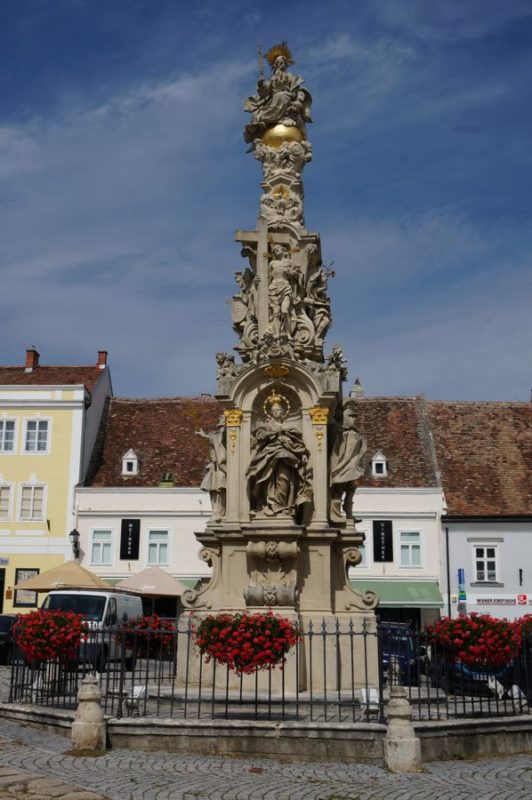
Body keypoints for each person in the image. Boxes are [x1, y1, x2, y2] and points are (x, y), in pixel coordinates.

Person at [247, 391, 312, 518]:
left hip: (286, 458)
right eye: (273, 410)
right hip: (268, 457)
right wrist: (274, 431)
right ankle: (269, 505)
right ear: (270, 413)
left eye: (278, 410)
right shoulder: (266, 426)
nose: (275, 412)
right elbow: (259, 437)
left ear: (283, 412)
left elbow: (297, 444)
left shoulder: (288, 428)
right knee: (268, 480)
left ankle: (283, 507)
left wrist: (302, 454)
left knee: (284, 479)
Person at [244, 44, 312, 144]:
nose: (282, 64)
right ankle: (261, 126)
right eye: (280, 63)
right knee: (257, 115)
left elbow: (299, 89)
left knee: (281, 97)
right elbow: (266, 92)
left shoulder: (290, 76)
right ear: (275, 65)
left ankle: (281, 117)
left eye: (284, 63)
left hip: (286, 97)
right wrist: (262, 85)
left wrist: (299, 100)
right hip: (273, 100)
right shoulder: (272, 78)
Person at [329, 401, 367, 525]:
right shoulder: (340, 432)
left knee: (351, 488)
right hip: (341, 467)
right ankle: (335, 513)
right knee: (338, 489)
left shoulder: (353, 433)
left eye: (355, 416)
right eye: (351, 416)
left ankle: (348, 513)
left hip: (351, 466)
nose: (354, 419)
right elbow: (336, 452)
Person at [196, 418, 227, 522]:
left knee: (221, 488)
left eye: (222, 418)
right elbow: (215, 440)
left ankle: (220, 512)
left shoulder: (226, 431)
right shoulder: (218, 433)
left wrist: (206, 436)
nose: (220, 418)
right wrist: (206, 436)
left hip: (223, 468)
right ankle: (217, 512)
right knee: (215, 489)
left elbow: (220, 440)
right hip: (217, 467)